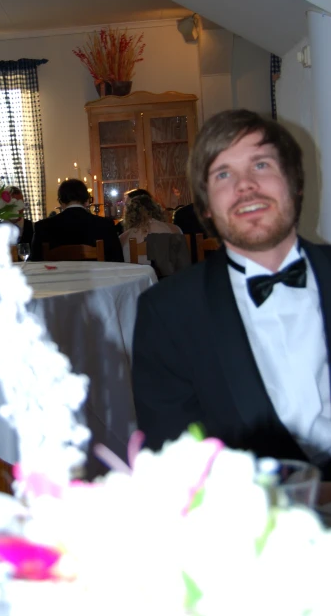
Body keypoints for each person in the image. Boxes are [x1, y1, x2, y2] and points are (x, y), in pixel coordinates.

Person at [132, 108, 331, 481]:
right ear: (205, 207)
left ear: (295, 182)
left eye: (261, 165)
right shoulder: (167, 314)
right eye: (223, 174)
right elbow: (176, 465)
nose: (245, 185)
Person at [31, 178, 123, 262]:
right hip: (97, 279)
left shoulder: (42, 227)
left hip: (59, 279)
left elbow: (35, 263)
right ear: (87, 201)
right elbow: (117, 261)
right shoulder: (106, 225)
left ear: (61, 202)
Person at [120, 194, 181, 264]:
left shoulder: (123, 237)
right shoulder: (175, 229)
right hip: (174, 274)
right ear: (157, 209)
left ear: (130, 215)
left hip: (139, 274)